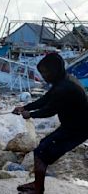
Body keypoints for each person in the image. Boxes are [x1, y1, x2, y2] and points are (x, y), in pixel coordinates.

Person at [13, 53, 88, 194]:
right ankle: (37, 184)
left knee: (41, 151)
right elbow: (45, 99)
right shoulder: (63, 81)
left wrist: (30, 115)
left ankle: (38, 188)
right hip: (73, 126)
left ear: (54, 71)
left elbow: (50, 111)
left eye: (45, 72)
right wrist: (25, 107)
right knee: (43, 149)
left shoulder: (64, 87)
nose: (43, 76)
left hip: (78, 129)